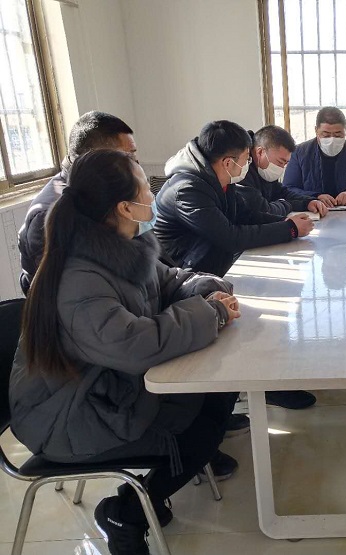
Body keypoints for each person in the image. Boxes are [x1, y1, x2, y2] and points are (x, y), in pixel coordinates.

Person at [10, 149, 242, 553]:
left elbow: (170, 281)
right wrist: (211, 314)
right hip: (69, 415)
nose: (153, 197)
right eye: (145, 190)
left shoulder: (123, 245)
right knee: (199, 432)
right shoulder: (77, 277)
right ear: (124, 207)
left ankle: (153, 490)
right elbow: (135, 345)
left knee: (218, 392)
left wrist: (209, 288)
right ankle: (126, 513)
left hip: (108, 389)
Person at [156, 121, 317, 411]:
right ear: (228, 162)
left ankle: (266, 383)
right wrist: (289, 229)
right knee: (252, 324)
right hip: (186, 279)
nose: (248, 166)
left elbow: (246, 216)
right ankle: (248, 391)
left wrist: (287, 223)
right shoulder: (187, 188)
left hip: (214, 267)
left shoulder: (218, 178)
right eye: (245, 159)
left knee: (267, 315)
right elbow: (230, 236)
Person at [18, 111, 137, 294]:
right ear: (93, 157)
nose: (135, 165)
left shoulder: (107, 188)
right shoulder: (48, 214)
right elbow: (69, 292)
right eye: (127, 157)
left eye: (134, 156)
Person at [282, 107, 346, 206]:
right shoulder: (299, 153)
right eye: (326, 135)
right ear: (316, 130)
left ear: (345, 130)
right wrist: (315, 196)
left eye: (338, 135)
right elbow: (288, 189)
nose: (332, 139)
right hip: (313, 211)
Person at [236, 125, 328, 218]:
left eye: (285, 163)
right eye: (280, 162)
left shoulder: (264, 170)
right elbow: (263, 210)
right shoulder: (240, 170)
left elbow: (281, 193)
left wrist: (308, 202)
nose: (281, 168)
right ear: (260, 152)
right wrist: (288, 205)